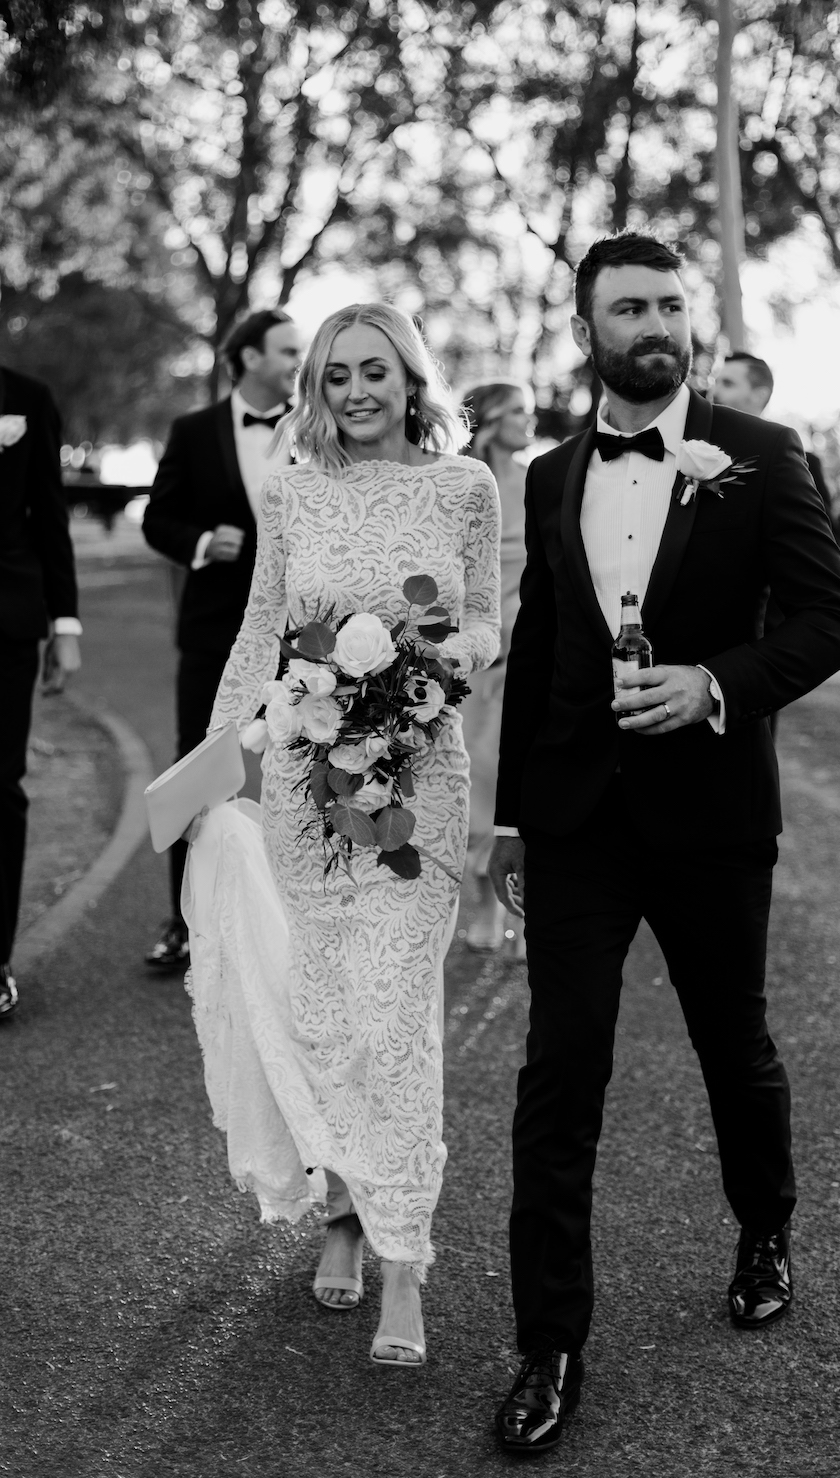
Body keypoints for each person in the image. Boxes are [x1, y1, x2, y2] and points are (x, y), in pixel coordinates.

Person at [488, 233, 840, 1452]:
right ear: (585, 325)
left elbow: (828, 620)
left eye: (668, 304)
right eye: (627, 307)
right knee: (559, 1075)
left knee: (731, 1046)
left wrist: (715, 684)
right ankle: (547, 1346)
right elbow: (543, 648)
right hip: (576, 824)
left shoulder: (757, 456)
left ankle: (763, 1225)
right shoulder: (550, 473)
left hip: (708, 817)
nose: (654, 324)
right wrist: (508, 813)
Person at [202, 303, 500, 1365]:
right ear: (316, 391)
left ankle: (404, 1264)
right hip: (304, 776)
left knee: (394, 1015)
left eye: (376, 371)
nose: (357, 391)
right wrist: (215, 753)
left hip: (418, 779)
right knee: (325, 1010)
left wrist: (425, 676)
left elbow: (489, 624)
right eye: (336, 377)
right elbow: (260, 622)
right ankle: (339, 1212)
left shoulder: (467, 488)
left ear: (412, 378)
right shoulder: (290, 491)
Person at [142, 309, 302, 969]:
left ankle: (298, 922)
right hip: (216, 631)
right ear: (247, 359)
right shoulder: (193, 431)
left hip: (305, 636)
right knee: (201, 769)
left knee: (306, 770)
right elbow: (158, 519)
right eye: (287, 351)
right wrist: (204, 542)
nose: (299, 362)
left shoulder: (317, 428)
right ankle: (186, 921)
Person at [0, 366, 81, 1019]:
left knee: (1, 786)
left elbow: (49, 513)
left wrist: (65, 625)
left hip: (7, 620)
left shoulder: (29, 398)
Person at [459, 381, 533, 955]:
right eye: (517, 412)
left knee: (522, 791)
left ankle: (525, 915)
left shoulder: (537, 479)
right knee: (475, 789)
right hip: (471, 666)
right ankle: (481, 907)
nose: (528, 421)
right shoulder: (460, 482)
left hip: (527, 661)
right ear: (489, 420)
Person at [713, 351, 835, 522]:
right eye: (715, 382)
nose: (714, 392)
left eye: (728, 384)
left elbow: (825, 536)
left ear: (759, 395)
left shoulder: (804, 463)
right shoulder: (695, 450)